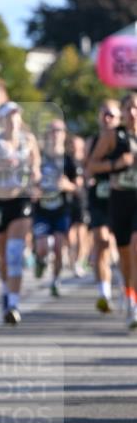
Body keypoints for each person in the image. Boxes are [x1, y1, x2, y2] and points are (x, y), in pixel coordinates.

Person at [0, 102, 40, 325]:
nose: (13, 119)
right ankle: (6, 291)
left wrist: (35, 181)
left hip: (19, 201)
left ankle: (13, 304)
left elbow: (36, 167)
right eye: (9, 115)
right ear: (2, 119)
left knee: (13, 254)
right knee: (1, 256)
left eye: (16, 115)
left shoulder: (28, 141)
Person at [87, 90, 137, 330]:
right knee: (126, 258)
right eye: (129, 108)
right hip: (120, 200)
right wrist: (116, 164)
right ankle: (128, 294)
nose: (133, 113)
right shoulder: (113, 137)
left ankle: (134, 303)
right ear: (124, 113)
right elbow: (92, 165)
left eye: (136, 108)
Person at [32, 119, 80, 296]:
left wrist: (67, 186)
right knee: (43, 247)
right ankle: (40, 259)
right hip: (42, 210)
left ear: (64, 134)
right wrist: (34, 188)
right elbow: (30, 179)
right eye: (52, 131)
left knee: (59, 247)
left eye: (59, 131)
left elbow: (78, 187)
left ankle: (55, 280)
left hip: (61, 210)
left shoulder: (68, 160)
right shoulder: (40, 158)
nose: (55, 134)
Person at [85, 100, 121, 312]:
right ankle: (104, 293)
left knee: (121, 247)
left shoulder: (126, 141)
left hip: (123, 199)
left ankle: (126, 288)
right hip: (99, 199)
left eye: (112, 115)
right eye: (104, 114)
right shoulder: (93, 141)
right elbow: (88, 169)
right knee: (101, 242)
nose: (107, 119)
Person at [65, 133, 90, 277]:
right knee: (70, 233)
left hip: (83, 201)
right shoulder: (66, 161)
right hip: (69, 201)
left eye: (77, 144)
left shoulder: (85, 160)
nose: (74, 147)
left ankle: (80, 261)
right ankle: (73, 260)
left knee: (82, 232)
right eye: (72, 145)